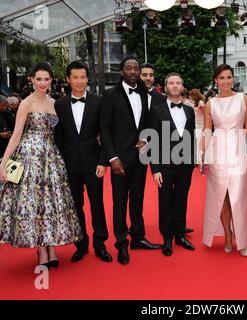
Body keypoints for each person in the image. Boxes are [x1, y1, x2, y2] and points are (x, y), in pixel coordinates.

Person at [0, 62, 82, 268]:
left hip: (51, 156)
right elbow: (17, 135)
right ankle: (41, 249)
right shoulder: (26, 103)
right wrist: (4, 162)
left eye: (46, 79)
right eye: (39, 79)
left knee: (50, 203)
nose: (43, 83)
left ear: (51, 80)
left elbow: (62, 133)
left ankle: (51, 245)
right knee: (33, 203)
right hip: (29, 156)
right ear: (31, 79)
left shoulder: (55, 102)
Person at [100, 57, 161, 266]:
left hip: (139, 158)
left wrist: (145, 138)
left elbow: (145, 122)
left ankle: (138, 237)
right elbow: (104, 129)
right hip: (119, 159)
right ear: (121, 71)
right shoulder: (110, 95)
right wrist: (112, 158)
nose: (133, 71)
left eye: (136, 68)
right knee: (119, 202)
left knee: (137, 200)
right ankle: (121, 243)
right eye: (129, 68)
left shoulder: (144, 92)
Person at [54, 61, 112, 263]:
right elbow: (58, 138)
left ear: (88, 79)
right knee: (75, 205)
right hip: (70, 164)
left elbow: (105, 134)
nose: (79, 81)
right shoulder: (59, 105)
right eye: (75, 77)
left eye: (83, 77)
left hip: (94, 162)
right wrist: (60, 165)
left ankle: (100, 244)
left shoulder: (98, 101)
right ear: (68, 79)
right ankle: (81, 243)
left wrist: (103, 161)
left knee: (97, 204)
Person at [201, 64, 247, 257]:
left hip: (237, 150)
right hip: (217, 152)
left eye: (228, 77)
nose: (225, 81)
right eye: (221, 78)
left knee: (238, 196)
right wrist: (202, 154)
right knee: (221, 196)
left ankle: (242, 241)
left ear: (233, 79)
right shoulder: (211, 103)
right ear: (215, 80)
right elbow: (207, 130)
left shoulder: (243, 99)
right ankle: (227, 235)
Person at [149, 73, 196, 256]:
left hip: (185, 165)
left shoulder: (189, 110)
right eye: (171, 83)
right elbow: (152, 140)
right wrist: (155, 169)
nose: (175, 85)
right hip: (165, 165)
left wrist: (193, 160)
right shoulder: (157, 110)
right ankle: (167, 238)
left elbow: (191, 136)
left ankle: (180, 235)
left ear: (182, 87)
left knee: (181, 200)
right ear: (165, 87)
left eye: (178, 83)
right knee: (165, 201)